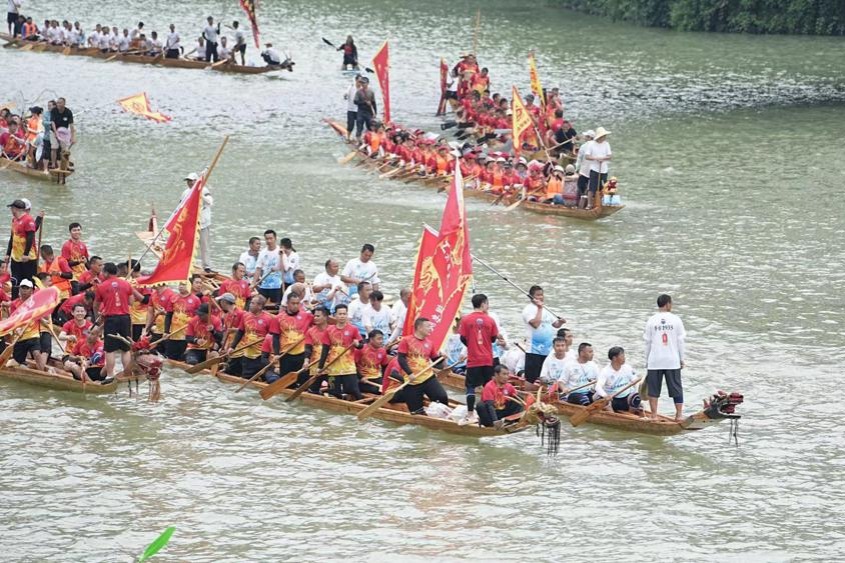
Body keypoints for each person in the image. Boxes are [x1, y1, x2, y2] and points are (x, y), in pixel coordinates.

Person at [391, 318, 449, 415]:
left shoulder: (430, 343)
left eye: (431, 326)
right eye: (428, 326)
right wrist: (409, 373)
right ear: (419, 327)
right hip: (412, 381)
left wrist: (442, 358)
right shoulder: (406, 340)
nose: (431, 329)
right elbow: (401, 359)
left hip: (428, 377)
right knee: (416, 412)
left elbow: (436, 362)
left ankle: (442, 417)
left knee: (442, 397)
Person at [94, 262, 143, 378]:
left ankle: (110, 375)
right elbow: (131, 302)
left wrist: (98, 316)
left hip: (111, 319)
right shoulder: (126, 284)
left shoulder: (101, 286)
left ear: (105, 273)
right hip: (125, 318)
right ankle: (127, 374)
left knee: (109, 349)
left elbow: (96, 305)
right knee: (125, 349)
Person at [644, 294, 686, 420]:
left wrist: (647, 360)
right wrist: (681, 358)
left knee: (653, 390)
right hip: (672, 360)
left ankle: (654, 415)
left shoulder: (651, 320)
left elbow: (647, 342)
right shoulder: (676, 320)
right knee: (676, 388)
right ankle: (678, 415)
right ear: (668, 304)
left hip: (655, 360)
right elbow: (681, 341)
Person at [458, 293, 499, 420]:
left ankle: (470, 414)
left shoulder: (465, 319)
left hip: (473, 359)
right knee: (488, 387)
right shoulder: (490, 320)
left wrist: (471, 345)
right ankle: (489, 414)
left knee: (470, 387)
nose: (488, 306)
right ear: (483, 304)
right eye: (487, 303)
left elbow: (463, 338)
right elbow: (493, 339)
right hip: (487, 359)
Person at [317, 303, 362, 400]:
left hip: (348, 367)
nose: (342, 316)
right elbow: (325, 349)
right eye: (340, 314)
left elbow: (361, 346)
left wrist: (357, 344)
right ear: (335, 316)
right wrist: (320, 367)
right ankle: (335, 396)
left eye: (344, 314)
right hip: (333, 367)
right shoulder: (329, 330)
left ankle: (358, 403)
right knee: (334, 391)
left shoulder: (353, 329)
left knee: (353, 389)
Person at [521, 285, 564, 384]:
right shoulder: (528, 309)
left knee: (544, 377)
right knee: (532, 378)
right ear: (531, 297)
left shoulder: (546, 309)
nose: (541, 297)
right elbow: (535, 324)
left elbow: (555, 324)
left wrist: (561, 322)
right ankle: (530, 395)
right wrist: (539, 308)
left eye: (542, 295)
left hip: (547, 349)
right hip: (534, 349)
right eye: (538, 295)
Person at [227, 294, 277, 378]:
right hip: (247, 353)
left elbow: (272, 337)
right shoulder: (245, 316)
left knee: (266, 377)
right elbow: (240, 332)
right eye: (251, 303)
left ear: (260, 306)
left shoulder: (269, 318)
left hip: (262, 355)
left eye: (253, 303)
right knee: (246, 377)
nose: (250, 305)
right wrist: (232, 347)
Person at [273, 293, 312, 385]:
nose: (295, 306)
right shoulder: (278, 318)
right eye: (293, 303)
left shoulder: (307, 316)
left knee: (303, 382)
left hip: (302, 353)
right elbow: (276, 337)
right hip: (285, 354)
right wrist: (276, 354)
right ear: (287, 303)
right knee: (287, 384)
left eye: (297, 303)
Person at [8, 280, 47, 370]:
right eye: (23, 288)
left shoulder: (35, 303)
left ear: (31, 291)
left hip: (33, 334)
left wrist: (44, 321)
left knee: (36, 353)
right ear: (19, 289)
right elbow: (13, 320)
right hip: (20, 336)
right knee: (17, 362)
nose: (24, 291)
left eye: (27, 288)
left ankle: (42, 375)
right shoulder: (14, 304)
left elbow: (39, 315)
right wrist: (16, 329)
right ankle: (23, 367)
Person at [163, 277, 202, 361]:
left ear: (189, 285)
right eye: (180, 284)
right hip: (173, 334)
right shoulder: (173, 298)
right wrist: (166, 331)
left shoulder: (196, 300)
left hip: (187, 335)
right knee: (169, 358)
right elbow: (169, 315)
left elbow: (198, 318)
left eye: (183, 284)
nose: (181, 286)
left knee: (182, 359)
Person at [5, 200, 38, 299]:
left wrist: (26, 254)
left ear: (17, 209)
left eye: (12, 208)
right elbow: (12, 237)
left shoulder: (28, 220)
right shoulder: (14, 220)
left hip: (28, 258)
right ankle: (14, 302)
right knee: (15, 281)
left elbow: (30, 237)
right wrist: (8, 253)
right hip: (15, 257)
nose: (11, 210)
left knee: (28, 282)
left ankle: (31, 302)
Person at [181, 172, 214, 272]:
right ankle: (188, 264)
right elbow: (180, 207)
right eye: (188, 181)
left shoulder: (204, 190)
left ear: (196, 181)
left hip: (203, 223)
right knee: (188, 245)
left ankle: (206, 266)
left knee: (204, 245)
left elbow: (210, 202)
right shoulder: (185, 193)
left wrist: (200, 195)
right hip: (190, 223)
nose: (189, 183)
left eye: (191, 181)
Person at [596, 346, 642, 414]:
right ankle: (612, 415)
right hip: (612, 400)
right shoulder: (605, 371)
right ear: (614, 358)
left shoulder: (627, 368)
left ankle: (630, 414)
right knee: (602, 399)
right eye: (622, 356)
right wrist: (605, 396)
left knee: (636, 396)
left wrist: (636, 392)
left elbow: (635, 381)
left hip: (625, 398)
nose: (624, 358)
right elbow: (598, 387)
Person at [476, 364, 523, 429]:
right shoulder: (489, 386)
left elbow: (518, 400)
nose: (506, 377)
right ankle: (491, 425)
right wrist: (495, 421)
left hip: (502, 411)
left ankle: (514, 421)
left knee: (518, 399)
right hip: (491, 414)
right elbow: (490, 406)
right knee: (480, 405)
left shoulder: (508, 386)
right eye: (504, 374)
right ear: (496, 375)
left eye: (507, 374)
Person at [301, 305, 330, 392]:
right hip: (315, 367)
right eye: (314, 316)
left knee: (334, 390)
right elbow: (308, 348)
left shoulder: (332, 330)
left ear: (325, 317)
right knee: (312, 390)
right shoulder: (310, 331)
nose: (315, 318)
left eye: (318, 316)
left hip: (331, 367)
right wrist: (306, 361)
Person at [582, 126, 611, 209]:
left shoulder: (606, 144)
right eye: (603, 136)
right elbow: (587, 156)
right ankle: (589, 204)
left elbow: (609, 156)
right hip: (594, 169)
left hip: (604, 169)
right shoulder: (591, 144)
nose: (604, 138)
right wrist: (596, 158)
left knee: (605, 187)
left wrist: (603, 159)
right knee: (592, 187)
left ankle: (605, 202)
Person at [216, 292, 245, 375]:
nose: (220, 303)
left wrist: (233, 330)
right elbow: (225, 331)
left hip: (240, 346)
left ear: (224, 302)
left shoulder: (240, 313)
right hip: (230, 346)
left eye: (221, 301)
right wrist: (223, 346)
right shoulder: (226, 316)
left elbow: (244, 330)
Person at [355, 329, 389, 394]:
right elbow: (353, 365)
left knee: (389, 389)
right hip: (364, 379)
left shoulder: (382, 351)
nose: (381, 341)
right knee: (376, 390)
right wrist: (361, 377)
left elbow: (385, 366)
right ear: (371, 339)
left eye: (382, 339)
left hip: (377, 377)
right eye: (379, 339)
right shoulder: (361, 349)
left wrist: (385, 380)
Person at [254, 229, 282, 304]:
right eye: (267, 239)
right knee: (259, 304)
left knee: (277, 306)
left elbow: (285, 267)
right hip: (265, 284)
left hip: (278, 285)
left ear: (275, 239)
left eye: (271, 238)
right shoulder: (263, 253)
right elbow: (258, 269)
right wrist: (253, 283)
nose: (269, 241)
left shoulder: (281, 251)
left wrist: (277, 268)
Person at [49, 97, 75, 170]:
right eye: (57, 103)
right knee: (54, 147)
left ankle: (66, 165)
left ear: (64, 104)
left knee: (65, 150)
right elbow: (52, 122)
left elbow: (71, 125)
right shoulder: (54, 110)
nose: (58, 104)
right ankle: (53, 164)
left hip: (64, 133)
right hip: (54, 131)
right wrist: (55, 133)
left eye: (60, 103)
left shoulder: (68, 112)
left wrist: (72, 137)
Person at [353, 76, 377, 142]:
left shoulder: (371, 91)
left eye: (364, 83)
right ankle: (358, 140)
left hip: (368, 112)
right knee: (359, 126)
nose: (363, 84)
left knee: (370, 126)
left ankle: (370, 140)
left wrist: (375, 112)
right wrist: (364, 102)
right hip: (360, 111)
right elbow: (355, 101)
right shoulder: (358, 92)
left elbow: (373, 102)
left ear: (367, 83)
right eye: (362, 83)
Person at [344, 75, 361, 142]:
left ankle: (358, 139)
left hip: (359, 110)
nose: (360, 83)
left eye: (361, 81)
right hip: (351, 109)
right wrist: (345, 95)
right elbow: (346, 93)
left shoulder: (362, 89)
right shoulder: (351, 87)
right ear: (356, 81)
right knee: (350, 124)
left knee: (359, 125)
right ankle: (348, 137)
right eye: (359, 81)